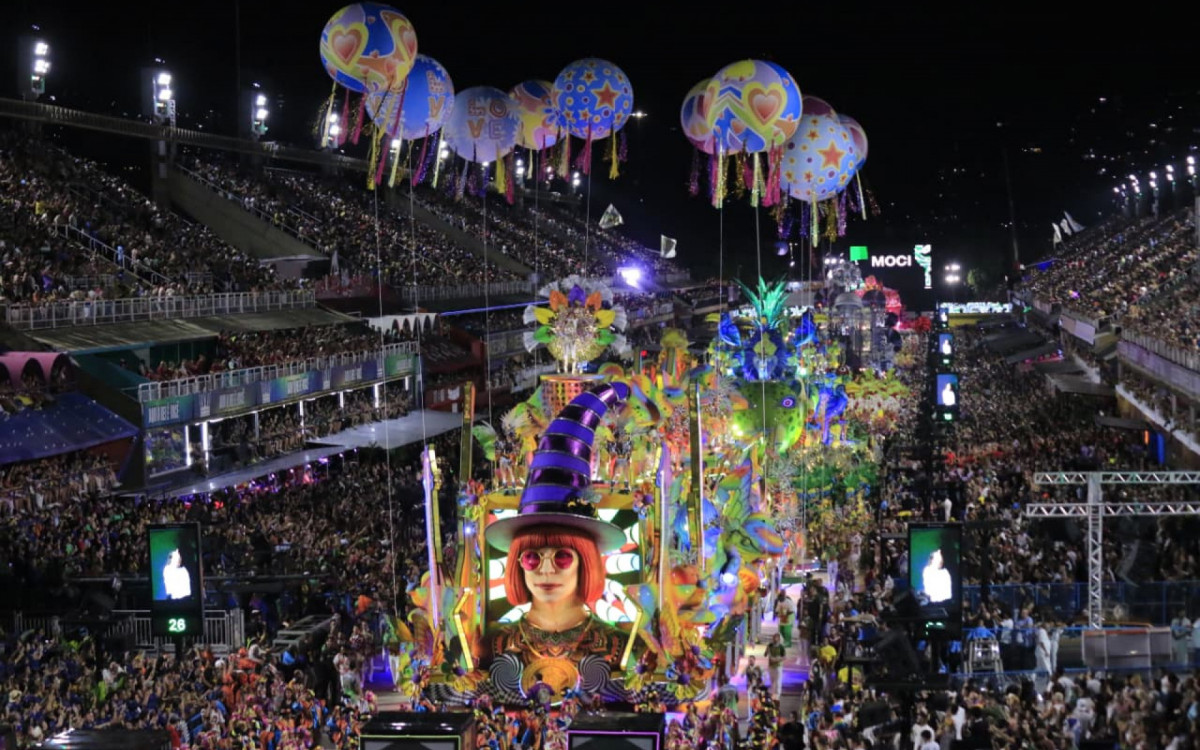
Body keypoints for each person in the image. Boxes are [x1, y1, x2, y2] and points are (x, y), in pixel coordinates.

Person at [481, 382, 631, 704]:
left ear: (586, 561)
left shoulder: (622, 646)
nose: (545, 570)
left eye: (562, 556)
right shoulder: (490, 646)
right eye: (532, 558)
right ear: (517, 565)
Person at [766, 633, 787, 699]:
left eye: (776, 637)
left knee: (778, 681)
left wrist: (778, 659)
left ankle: (777, 694)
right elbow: (765, 654)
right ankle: (773, 693)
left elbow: (784, 657)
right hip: (771, 666)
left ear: (779, 638)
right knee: (772, 681)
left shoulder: (781, 647)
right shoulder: (770, 645)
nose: (774, 638)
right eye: (774, 637)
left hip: (778, 666)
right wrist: (767, 650)